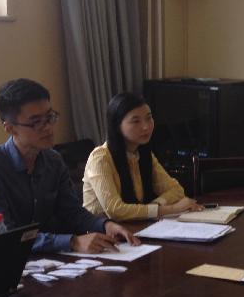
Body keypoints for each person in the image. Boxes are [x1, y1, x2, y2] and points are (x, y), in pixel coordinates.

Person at [0, 79, 140, 255]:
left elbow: (71, 212)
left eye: (50, 117)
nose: (48, 127)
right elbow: (4, 238)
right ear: (10, 128)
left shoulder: (53, 160)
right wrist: (72, 242)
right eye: (36, 122)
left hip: (48, 260)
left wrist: (105, 225)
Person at [82, 92, 202, 221]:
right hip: (99, 230)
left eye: (149, 118)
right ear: (117, 126)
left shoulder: (143, 153)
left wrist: (155, 205)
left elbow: (176, 190)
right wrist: (171, 209)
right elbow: (115, 210)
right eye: (136, 121)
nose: (146, 127)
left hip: (134, 226)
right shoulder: (100, 158)